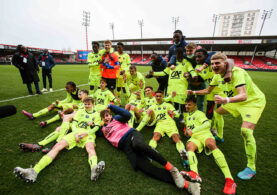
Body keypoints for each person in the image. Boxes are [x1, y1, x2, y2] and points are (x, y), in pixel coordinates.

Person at [187, 52, 266, 180]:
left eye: (217, 63)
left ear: (225, 63)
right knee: (217, 113)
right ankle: (220, 136)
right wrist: (193, 91)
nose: (214, 66)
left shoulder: (237, 73)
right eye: (212, 64)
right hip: (234, 101)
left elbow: (243, 95)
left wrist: (226, 100)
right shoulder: (217, 76)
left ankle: (251, 167)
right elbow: (208, 91)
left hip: (252, 102)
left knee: (245, 131)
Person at [97, 105, 201, 194]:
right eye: (103, 117)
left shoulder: (117, 118)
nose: (106, 118)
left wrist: (111, 106)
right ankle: (189, 185)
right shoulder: (102, 129)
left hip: (132, 135)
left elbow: (128, 115)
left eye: (107, 115)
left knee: (138, 144)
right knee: (146, 168)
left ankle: (171, 168)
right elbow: (91, 131)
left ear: (110, 115)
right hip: (125, 147)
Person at [14, 97, 105, 183]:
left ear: (93, 104)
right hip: (75, 133)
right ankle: (34, 171)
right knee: (57, 146)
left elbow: (96, 128)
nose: (87, 106)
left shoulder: (96, 114)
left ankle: (94, 170)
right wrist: (76, 133)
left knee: (90, 148)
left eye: (89, 104)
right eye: (85, 104)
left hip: (88, 135)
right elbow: (74, 124)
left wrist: (86, 133)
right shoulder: (80, 111)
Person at [181, 96, 236, 195]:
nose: (187, 106)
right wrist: (186, 132)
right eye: (186, 104)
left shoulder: (199, 113)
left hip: (205, 134)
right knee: (189, 146)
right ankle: (194, 173)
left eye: (189, 104)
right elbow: (187, 129)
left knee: (211, 144)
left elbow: (207, 125)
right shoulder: (187, 116)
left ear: (195, 105)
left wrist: (192, 131)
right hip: (195, 138)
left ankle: (230, 180)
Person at [19, 90, 90, 154]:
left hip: (81, 127)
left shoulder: (89, 104)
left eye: (81, 94)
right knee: (59, 129)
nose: (79, 96)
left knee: (62, 126)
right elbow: (77, 113)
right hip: (76, 123)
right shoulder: (81, 104)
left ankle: (51, 146)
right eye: (79, 94)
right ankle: (39, 144)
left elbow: (83, 115)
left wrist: (68, 116)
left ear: (86, 95)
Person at [136, 90, 187, 165]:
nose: (159, 97)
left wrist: (173, 113)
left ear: (163, 97)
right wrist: (142, 112)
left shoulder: (168, 105)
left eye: (160, 96)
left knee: (175, 137)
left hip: (170, 123)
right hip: (159, 124)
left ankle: (184, 154)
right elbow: (146, 113)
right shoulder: (152, 106)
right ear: (155, 97)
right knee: (156, 136)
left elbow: (177, 115)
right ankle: (149, 154)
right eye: (157, 96)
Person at [149, 48, 197, 117]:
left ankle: (184, 119)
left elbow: (191, 70)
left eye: (180, 53)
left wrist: (194, 75)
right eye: (177, 54)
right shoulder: (171, 64)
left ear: (183, 54)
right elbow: (164, 72)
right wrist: (154, 73)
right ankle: (170, 117)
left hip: (181, 89)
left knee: (183, 105)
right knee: (169, 103)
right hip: (171, 88)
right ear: (175, 55)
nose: (179, 55)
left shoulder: (186, 63)